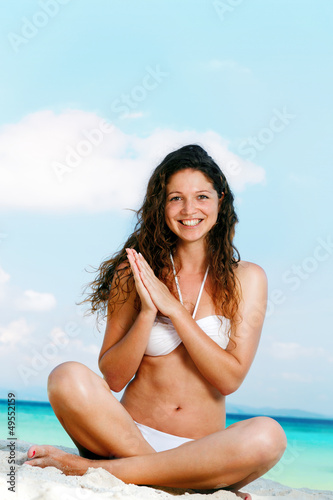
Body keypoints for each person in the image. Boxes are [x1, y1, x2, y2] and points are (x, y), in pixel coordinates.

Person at [25, 144, 287, 499]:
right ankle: (173, 484)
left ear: (221, 201)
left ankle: (100, 470)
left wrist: (175, 311)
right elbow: (114, 378)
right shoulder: (132, 271)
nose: (189, 210)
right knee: (65, 376)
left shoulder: (248, 278)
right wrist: (149, 311)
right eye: (175, 198)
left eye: (202, 197)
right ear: (161, 206)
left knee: (269, 435)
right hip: (127, 434)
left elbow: (229, 379)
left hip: (200, 452)